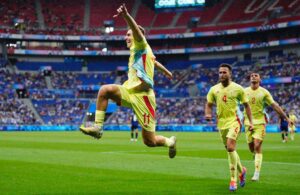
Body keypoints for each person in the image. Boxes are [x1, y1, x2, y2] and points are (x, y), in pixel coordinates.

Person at [80, 4, 177, 158]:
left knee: (149, 141)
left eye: (128, 34)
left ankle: (170, 142)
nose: (126, 37)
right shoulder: (143, 51)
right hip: (131, 90)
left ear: (138, 36)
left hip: (144, 98)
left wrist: (125, 15)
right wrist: (166, 72)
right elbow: (154, 61)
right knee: (105, 90)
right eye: (126, 35)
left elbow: (138, 33)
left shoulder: (141, 44)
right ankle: (97, 127)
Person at [205, 63, 253, 192]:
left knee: (231, 147)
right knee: (230, 150)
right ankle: (242, 170)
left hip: (235, 121)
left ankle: (233, 180)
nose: (222, 74)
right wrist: (208, 113)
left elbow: (247, 105)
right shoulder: (213, 89)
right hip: (221, 124)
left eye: (224, 72)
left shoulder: (238, 88)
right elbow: (209, 104)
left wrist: (251, 122)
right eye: (220, 72)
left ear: (230, 74)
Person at [244, 72, 291, 181]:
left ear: (260, 79)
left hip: (260, 122)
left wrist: (286, 118)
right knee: (251, 148)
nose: (253, 76)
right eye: (252, 76)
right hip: (247, 123)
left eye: (256, 75)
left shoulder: (264, 92)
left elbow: (275, 106)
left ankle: (256, 173)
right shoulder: (244, 92)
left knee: (257, 146)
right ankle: (255, 155)